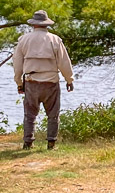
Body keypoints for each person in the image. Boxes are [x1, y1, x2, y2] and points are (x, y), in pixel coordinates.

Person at [12, 10, 74, 149]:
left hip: (31, 81)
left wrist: (19, 83)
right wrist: (69, 80)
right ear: (46, 24)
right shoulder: (55, 40)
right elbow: (64, 62)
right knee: (53, 114)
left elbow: (17, 63)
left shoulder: (24, 39)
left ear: (33, 24)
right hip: (50, 82)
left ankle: (28, 142)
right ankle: (51, 143)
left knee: (30, 115)